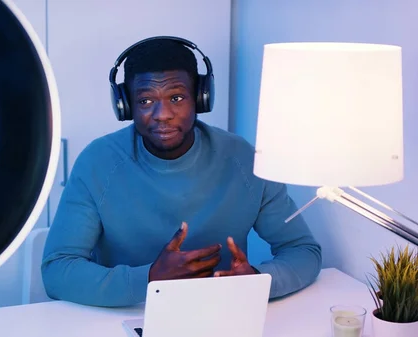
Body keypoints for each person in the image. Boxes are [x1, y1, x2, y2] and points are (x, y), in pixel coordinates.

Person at [40, 36, 322, 308]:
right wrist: (150, 280)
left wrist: (258, 282)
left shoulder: (244, 159)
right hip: (129, 314)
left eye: (176, 98)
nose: (162, 114)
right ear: (125, 105)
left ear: (200, 98)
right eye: (146, 101)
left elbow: (304, 252)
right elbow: (57, 271)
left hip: (222, 315)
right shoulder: (97, 162)